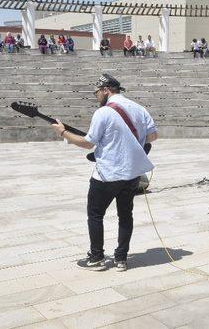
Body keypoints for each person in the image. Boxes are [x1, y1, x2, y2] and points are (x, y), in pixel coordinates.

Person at [50, 74, 157, 271]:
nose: (96, 96)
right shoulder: (139, 109)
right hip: (132, 173)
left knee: (95, 214)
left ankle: (97, 258)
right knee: (125, 215)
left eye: (96, 92)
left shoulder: (103, 112)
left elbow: (88, 142)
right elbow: (153, 136)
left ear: (106, 89)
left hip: (107, 174)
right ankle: (121, 259)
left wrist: (63, 132)